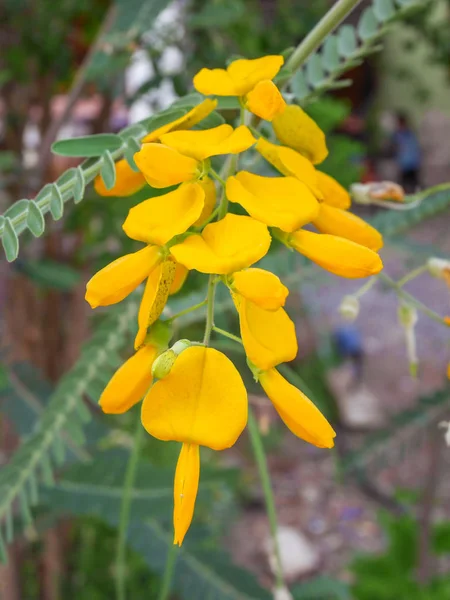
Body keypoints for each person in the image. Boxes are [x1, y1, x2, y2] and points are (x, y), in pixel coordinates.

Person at [392, 112, 421, 192]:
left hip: (410, 163)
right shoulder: (399, 134)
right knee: (404, 185)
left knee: (412, 184)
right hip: (405, 163)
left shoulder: (407, 134)